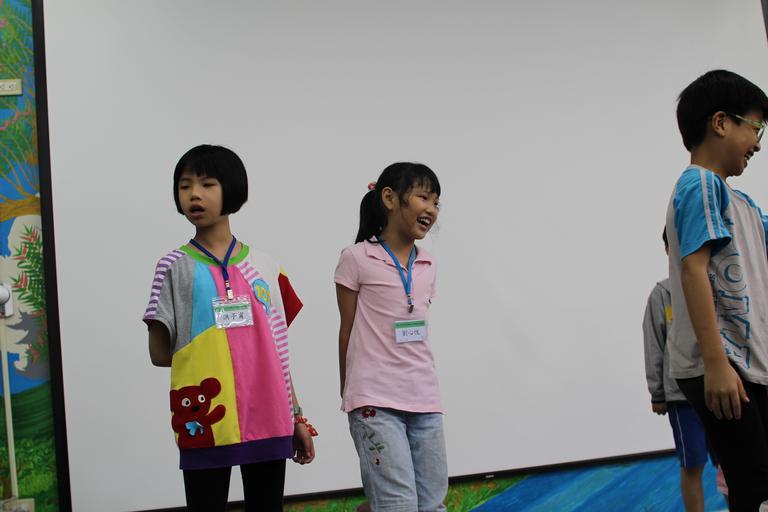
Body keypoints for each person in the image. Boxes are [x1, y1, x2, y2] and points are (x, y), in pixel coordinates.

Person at [143, 144, 316, 511]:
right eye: (185, 186)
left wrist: (297, 416)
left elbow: (278, 354)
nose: (194, 194)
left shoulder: (267, 267)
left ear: (232, 190)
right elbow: (158, 354)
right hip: (204, 421)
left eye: (207, 184)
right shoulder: (171, 267)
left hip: (270, 419)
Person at [666, 70, 768, 511]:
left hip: (748, 362)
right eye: (756, 127)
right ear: (721, 122)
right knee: (754, 485)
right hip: (722, 364)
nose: (758, 144)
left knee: (757, 483)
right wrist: (715, 363)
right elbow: (693, 268)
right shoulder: (700, 184)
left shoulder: (743, 204)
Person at [335, 163, 447, 511]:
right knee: (397, 504)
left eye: (436, 202)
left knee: (432, 505)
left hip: (425, 398)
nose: (431, 209)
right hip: (375, 401)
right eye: (423, 197)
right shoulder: (356, 258)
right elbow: (347, 329)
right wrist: (350, 393)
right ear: (389, 198)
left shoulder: (428, 264)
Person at [644, 228, 715, 512]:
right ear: (667, 249)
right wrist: (657, 393)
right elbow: (654, 344)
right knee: (693, 463)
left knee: (733, 462)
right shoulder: (662, 294)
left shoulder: (718, 286)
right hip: (682, 396)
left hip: (722, 391)